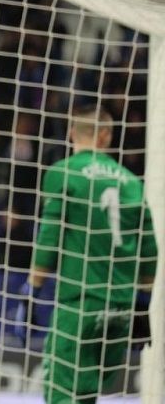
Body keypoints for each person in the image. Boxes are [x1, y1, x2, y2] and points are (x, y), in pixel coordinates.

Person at [14, 105, 157, 403]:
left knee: (61, 394)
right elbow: (149, 249)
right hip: (120, 309)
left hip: (79, 304)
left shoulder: (64, 173)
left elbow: (49, 239)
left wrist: (31, 291)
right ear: (106, 136)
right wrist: (142, 304)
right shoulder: (132, 182)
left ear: (71, 133)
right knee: (86, 394)